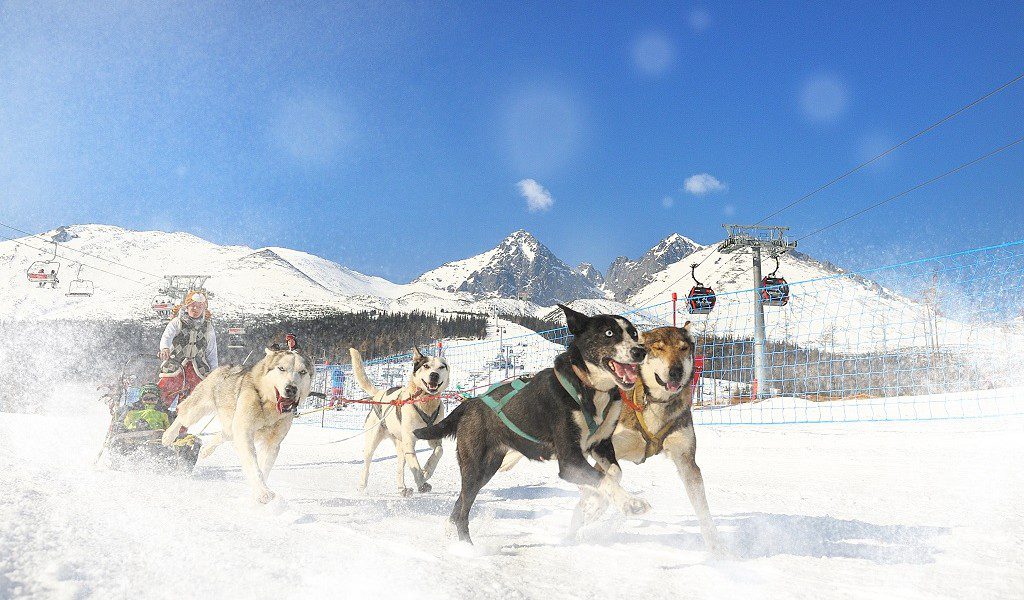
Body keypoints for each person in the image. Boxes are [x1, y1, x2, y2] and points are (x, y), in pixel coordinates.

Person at [158, 290, 218, 409]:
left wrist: (214, 371)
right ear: (187, 306)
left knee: (190, 404)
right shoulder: (177, 322)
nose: (195, 309)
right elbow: (167, 336)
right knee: (163, 394)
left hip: (197, 370)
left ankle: (182, 425)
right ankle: (159, 418)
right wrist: (165, 348)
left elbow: (212, 350)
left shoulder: (207, 327)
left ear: (204, 309)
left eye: (199, 307)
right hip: (175, 366)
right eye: (193, 306)